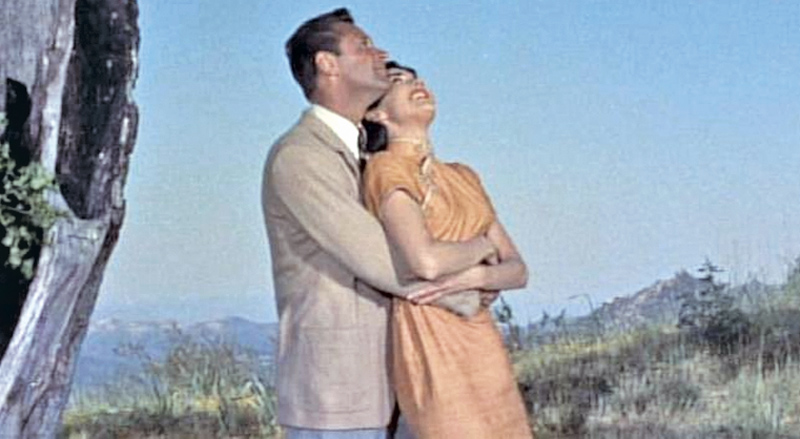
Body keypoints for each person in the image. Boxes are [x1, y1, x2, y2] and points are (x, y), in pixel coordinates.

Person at [261, 9, 487, 439]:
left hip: (399, 386)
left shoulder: (368, 156)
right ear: (327, 64)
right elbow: (386, 261)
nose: (380, 53)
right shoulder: (300, 156)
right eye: (363, 45)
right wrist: (474, 280)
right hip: (338, 399)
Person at [362, 62, 534, 439]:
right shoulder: (385, 169)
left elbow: (518, 270)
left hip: (482, 338)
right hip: (430, 333)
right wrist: (484, 245)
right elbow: (425, 261)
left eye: (417, 78)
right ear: (377, 113)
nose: (417, 84)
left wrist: (477, 275)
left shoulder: (464, 175)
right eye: (398, 81)